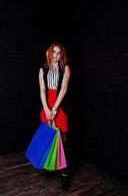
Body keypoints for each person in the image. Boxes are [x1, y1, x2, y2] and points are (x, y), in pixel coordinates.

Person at [38, 42, 72, 190]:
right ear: (50, 53)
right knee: (48, 137)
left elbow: (63, 89)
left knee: (63, 141)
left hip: (60, 106)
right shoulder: (42, 70)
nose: (57, 55)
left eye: (59, 53)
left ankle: (64, 173)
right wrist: (46, 108)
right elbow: (42, 90)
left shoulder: (66, 69)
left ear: (62, 54)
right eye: (54, 52)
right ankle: (49, 166)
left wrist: (55, 108)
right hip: (47, 105)